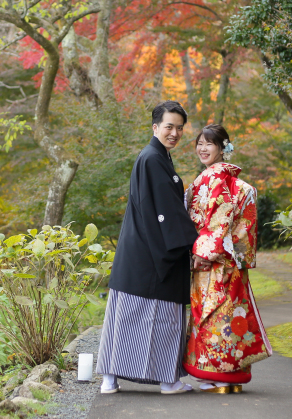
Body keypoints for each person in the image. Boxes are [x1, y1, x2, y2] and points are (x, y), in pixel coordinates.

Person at [96, 100, 198, 395]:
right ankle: (168, 381)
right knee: (161, 319)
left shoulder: (156, 157)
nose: (175, 133)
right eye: (169, 126)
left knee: (124, 321)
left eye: (180, 128)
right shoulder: (153, 158)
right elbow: (167, 209)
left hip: (136, 253)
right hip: (153, 254)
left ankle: (110, 380)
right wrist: (192, 242)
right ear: (156, 127)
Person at [182, 124, 272, 393]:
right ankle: (229, 376)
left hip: (213, 263)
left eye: (210, 144)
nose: (203, 148)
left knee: (216, 318)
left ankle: (216, 375)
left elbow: (217, 222)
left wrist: (201, 253)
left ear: (223, 148)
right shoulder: (228, 183)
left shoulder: (217, 181)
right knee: (229, 315)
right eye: (200, 143)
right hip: (230, 262)